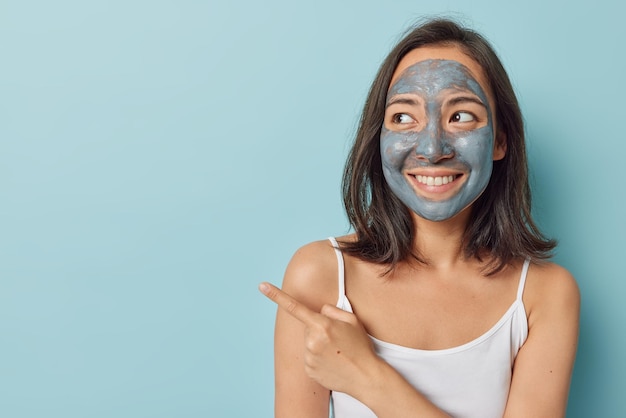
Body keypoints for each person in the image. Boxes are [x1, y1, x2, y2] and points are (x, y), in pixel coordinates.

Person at [259, 17, 579, 418]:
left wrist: (366, 377)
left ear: (500, 140)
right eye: (403, 118)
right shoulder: (320, 276)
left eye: (460, 116)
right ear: (379, 138)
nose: (431, 148)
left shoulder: (543, 295)